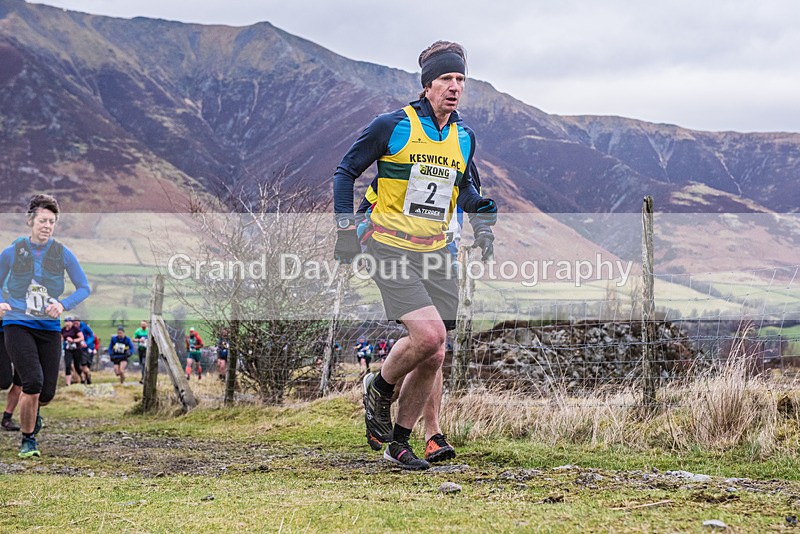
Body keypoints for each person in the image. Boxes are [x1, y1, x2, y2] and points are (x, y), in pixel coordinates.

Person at [333, 41, 497, 470]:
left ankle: (400, 442)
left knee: (436, 352)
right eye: (446, 78)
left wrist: (481, 215)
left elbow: (461, 188)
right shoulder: (392, 125)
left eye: (461, 79)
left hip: (438, 251)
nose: (455, 87)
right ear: (427, 85)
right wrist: (346, 229)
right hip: (390, 245)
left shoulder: (464, 137)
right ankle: (379, 387)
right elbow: (345, 171)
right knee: (428, 336)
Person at [0, 194, 91, 458]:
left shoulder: (62, 253)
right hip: (18, 324)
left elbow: (84, 287)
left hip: (49, 328)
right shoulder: (11, 253)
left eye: (52, 221)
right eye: (42, 220)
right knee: (32, 382)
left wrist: (63, 305)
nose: (47, 225)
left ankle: (33, 414)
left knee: (47, 392)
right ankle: (28, 441)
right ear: (31, 221)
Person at [0, 324, 22, 431]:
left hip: (24, 333)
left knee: (21, 381)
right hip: (3, 332)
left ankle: (7, 418)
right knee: (4, 381)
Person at [60, 316, 84, 386]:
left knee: (77, 366)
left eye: (69, 322)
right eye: (66, 322)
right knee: (68, 365)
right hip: (68, 349)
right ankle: (68, 383)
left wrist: (73, 340)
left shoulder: (75, 329)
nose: (67, 323)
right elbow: (61, 337)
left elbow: (81, 338)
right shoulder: (63, 330)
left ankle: (82, 376)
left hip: (76, 349)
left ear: (71, 322)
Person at [76, 317, 95, 385]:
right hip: (76, 349)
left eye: (77, 323)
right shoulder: (72, 327)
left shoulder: (84, 327)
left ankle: (87, 376)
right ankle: (83, 379)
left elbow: (92, 336)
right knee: (78, 365)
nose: (76, 324)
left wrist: (86, 343)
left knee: (84, 365)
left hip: (85, 349)